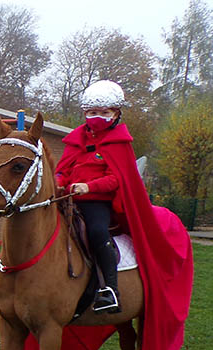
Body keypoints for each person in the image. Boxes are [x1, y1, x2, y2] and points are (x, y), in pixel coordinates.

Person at [55, 79, 132, 313]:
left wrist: (89, 187)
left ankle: (110, 290)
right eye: (91, 112)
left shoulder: (119, 143)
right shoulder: (76, 140)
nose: (96, 116)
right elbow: (62, 170)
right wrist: (58, 183)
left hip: (96, 202)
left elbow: (117, 178)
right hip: (67, 199)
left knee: (97, 232)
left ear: (116, 113)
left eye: (103, 112)